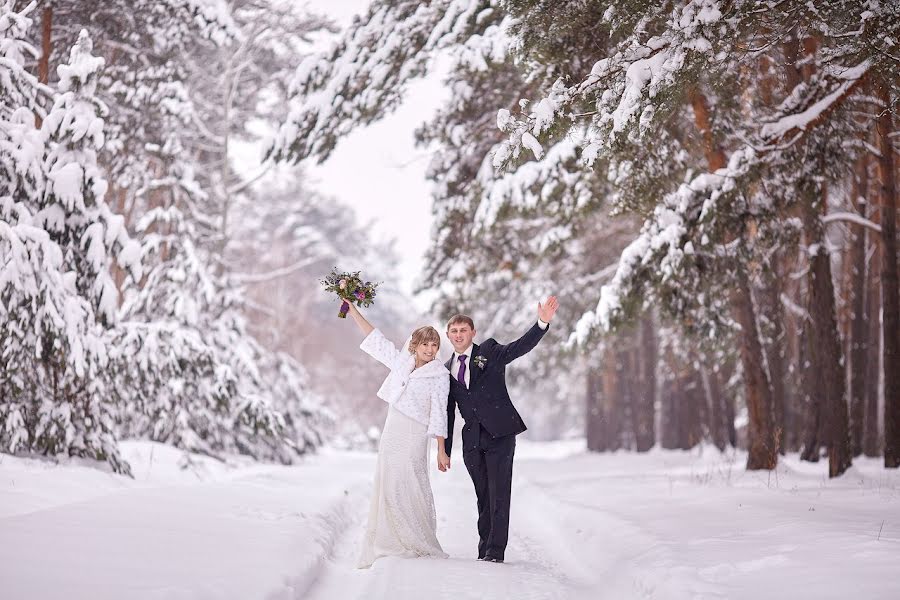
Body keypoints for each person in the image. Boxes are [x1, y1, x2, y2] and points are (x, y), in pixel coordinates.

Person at [438, 296, 560, 563]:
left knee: (499, 492)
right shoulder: (445, 370)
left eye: (463, 330)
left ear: (473, 333)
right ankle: (484, 547)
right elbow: (447, 412)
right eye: (454, 331)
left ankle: (495, 550)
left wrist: (541, 323)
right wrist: (444, 450)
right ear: (448, 335)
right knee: (483, 495)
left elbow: (519, 347)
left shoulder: (490, 352)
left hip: (500, 434)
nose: (459, 335)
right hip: (471, 441)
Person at [342, 300, 451, 569]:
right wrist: (353, 310)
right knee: (389, 477)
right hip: (394, 427)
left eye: (433, 344)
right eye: (425, 344)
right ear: (415, 345)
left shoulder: (440, 375)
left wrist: (441, 448)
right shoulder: (402, 362)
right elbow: (375, 339)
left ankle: (415, 537)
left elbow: (439, 412)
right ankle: (390, 538)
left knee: (409, 478)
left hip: (415, 431)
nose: (429, 349)